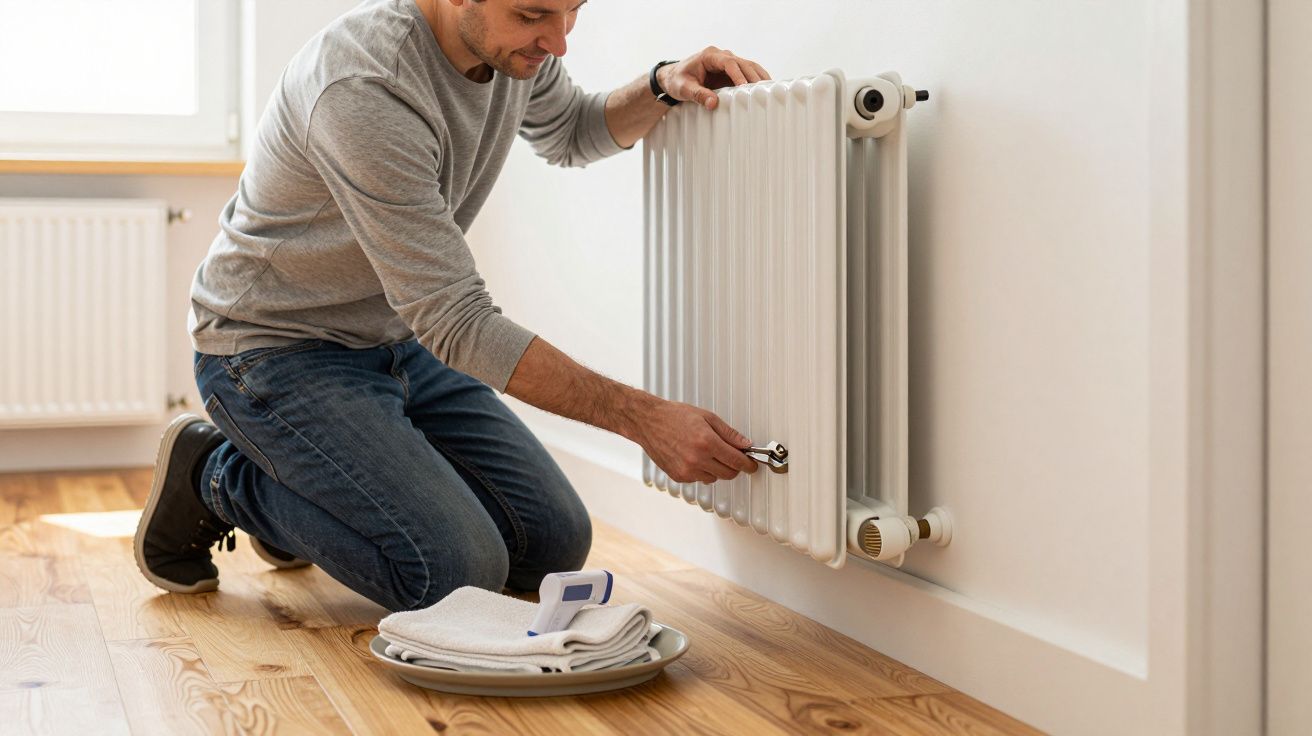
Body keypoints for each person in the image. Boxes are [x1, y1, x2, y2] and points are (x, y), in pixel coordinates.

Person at [133, 0, 768, 612]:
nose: (558, 41)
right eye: (532, 15)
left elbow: (573, 130)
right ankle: (215, 476)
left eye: (572, 10)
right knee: (452, 572)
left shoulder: (515, 53)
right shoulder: (365, 86)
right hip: (273, 350)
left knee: (551, 546)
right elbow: (457, 320)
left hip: (396, 338)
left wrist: (662, 86)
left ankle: (308, 483)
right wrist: (643, 417)